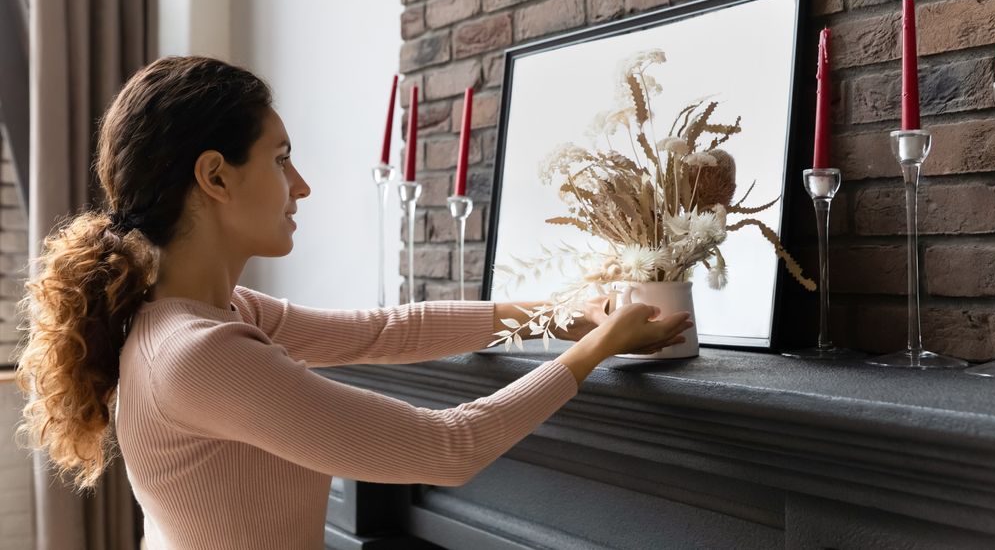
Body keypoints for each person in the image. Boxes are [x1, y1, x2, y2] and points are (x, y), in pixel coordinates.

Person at [13, 56, 692, 550]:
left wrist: (563, 312)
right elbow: (447, 448)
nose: (300, 186)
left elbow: (386, 331)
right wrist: (595, 349)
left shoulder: (216, 316)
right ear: (215, 176)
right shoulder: (200, 354)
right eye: (281, 159)